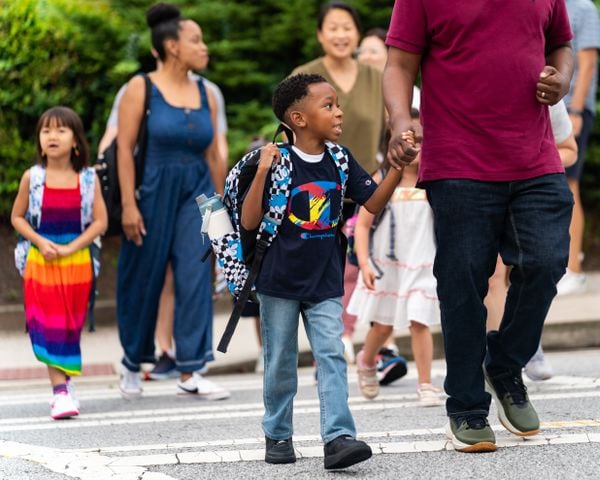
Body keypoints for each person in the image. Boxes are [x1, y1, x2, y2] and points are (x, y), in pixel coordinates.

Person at [383, 0, 575, 453]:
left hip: (534, 157)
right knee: (462, 280)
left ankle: (506, 363)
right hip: (458, 160)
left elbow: (561, 44)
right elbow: (398, 62)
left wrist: (562, 78)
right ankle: (467, 406)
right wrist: (400, 121)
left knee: (546, 261)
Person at [244, 73, 402, 470]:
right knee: (280, 360)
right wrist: (262, 171)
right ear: (298, 118)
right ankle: (278, 433)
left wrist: (397, 169)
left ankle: (338, 437)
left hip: (324, 281)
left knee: (331, 354)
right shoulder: (279, 160)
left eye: (336, 104)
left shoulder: (341, 159)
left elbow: (371, 203)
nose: (338, 111)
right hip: (278, 281)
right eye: (328, 105)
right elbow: (249, 221)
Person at [115, 2, 228, 400]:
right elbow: (124, 150)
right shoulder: (140, 88)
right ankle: (132, 360)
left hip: (197, 192)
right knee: (143, 277)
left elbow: (214, 155)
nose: (204, 46)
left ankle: (191, 369)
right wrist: (128, 204)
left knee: (195, 276)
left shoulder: (205, 93)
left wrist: (221, 213)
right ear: (173, 46)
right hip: (151, 192)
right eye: (195, 39)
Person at [292, 1, 385, 364]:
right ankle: (333, 341)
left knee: (368, 265)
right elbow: (291, 132)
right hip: (318, 187)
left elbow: (389, 131)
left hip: (367, 185)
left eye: (347, 27)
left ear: (358, 34)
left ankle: (368, 345)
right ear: (320, 34)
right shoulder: (305, 76)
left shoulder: (376, 77)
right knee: (327, 269)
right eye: (332, 27)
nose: (341, 35)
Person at [11, 106, 108, 419]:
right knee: (48, 326)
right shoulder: (32, 178)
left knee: (68, 328)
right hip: (41, 264)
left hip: (77, 265)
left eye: (60, 130)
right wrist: (41, 242)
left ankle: (65, 385)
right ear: (39, 140)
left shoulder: (89, 179)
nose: (52, 136)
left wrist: (71, 248)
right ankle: (59, 391)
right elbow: (17, 217)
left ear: (76, 141)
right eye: (46, 131)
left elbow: (100, 222)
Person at [349, 119, 441, 407]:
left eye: (422, 142)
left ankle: (425, 384)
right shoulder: (382, 179)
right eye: (408, 142)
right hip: (386, 266)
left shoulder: (436, 180)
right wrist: (364, 263)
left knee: (418, 320)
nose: (415, 149)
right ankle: (366, 360)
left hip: (423, 261)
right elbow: (362, 225)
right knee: (383, 326)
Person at [485, 100, 579, 382]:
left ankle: (524, 345)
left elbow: (569, 150)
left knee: (535, 268)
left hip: (529, 194)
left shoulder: (543, 86)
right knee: (493, 276)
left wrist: (533, 158)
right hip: (482, 192)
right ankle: (496, 358)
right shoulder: (470, 84)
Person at [557, 0, 600, 296]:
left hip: (571, 109)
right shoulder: (545, 5)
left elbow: (586, 63)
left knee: (569, 183)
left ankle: (573, 270)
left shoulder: (583, 8)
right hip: (544, 109)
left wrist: (575, 110)